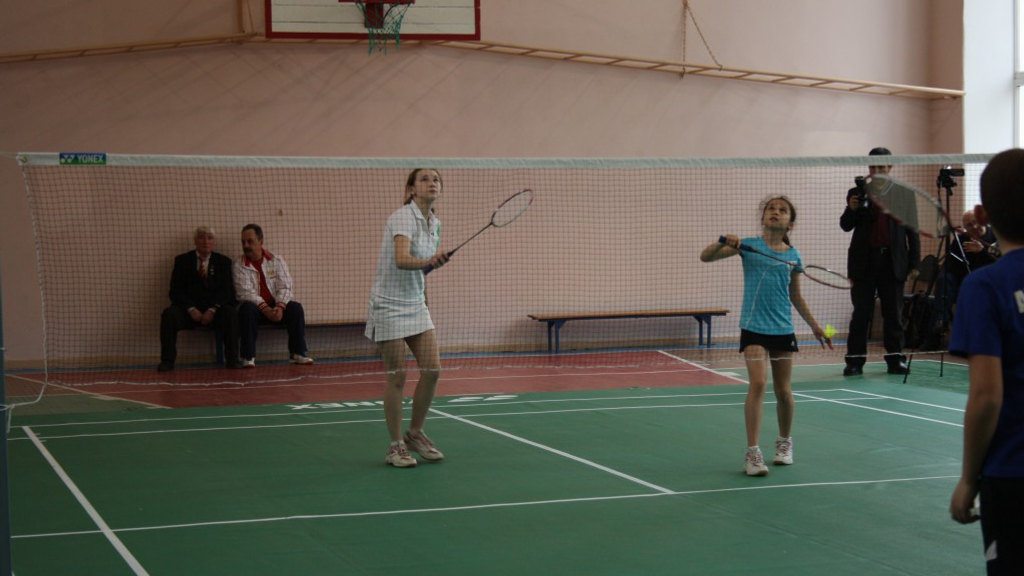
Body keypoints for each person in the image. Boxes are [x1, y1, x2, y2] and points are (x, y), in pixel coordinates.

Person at [700, 196, 831, 476]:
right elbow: (705, 257)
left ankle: (784, 443)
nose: (775, 212)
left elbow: (796, 296)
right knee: (758, 384)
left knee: (783, 390)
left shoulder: (794, 256)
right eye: (771, 209)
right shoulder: (748, 246)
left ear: (790, 223)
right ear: (763, 218)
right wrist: (724, 243)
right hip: (754, 327)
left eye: (782, 210)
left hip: (782, 328)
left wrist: (815, 326)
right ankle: (753, 453)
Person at [948, 148, 1024, 575]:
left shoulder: (984, 287)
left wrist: (968, 479)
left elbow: (987, 397)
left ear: (982, 212)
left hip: (1012, 473)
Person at [366, 168, 450, 468]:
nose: (432, 183)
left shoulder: (435, 224)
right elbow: (402, 260)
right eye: (424, 179)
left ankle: (414, 433)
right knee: (397, 376)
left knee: (432, 369)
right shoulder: (402, 217)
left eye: (436, 179)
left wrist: (426, 291)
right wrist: (430, 261)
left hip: (415, 304)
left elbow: (420, 270)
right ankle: (395, 446)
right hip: (388, 305)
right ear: (412, 189)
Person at [840, 147, 920, 376]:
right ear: (869, 167)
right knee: (860, 314)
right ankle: (854, 362)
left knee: (893, 315)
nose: (878, 170)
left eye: (882, 167)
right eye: (874, 166)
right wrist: (851, 208)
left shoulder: (905, 194)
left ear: (890, 167)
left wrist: (914, 264)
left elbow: (912, 231)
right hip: (863, 263)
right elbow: (846, 225)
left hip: (893, 262)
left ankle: (895, 360)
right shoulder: (857, 192)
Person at [159, 226, 242, 371]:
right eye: (201, 237)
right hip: (189, 312)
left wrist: (212, 309)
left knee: (230, 313)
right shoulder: (182, 260)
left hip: (215, 312)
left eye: (209, 238)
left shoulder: (223, 261)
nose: (205, 241)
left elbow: (227, 291)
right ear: (195, 241)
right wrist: (191, 309)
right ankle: (167, 361)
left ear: (214, 242)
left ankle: (233, 359)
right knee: (169, 315)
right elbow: (175, 291)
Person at [232, 223, 313, 368]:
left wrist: (280, 307)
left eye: (250, 241)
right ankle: (248, 356)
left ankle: (297, 353)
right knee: (246, 310)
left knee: (295, 308)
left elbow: (286, 286)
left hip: (276, 308)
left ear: (261, 241)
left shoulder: (276, 260)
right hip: (256, 309)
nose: (246, 245)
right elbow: (244, 293)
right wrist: (266, 309)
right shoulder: (238, 265)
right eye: (243, 242)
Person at [926, 209, 1001, 349]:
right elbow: (950, 265)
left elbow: (1001, 265)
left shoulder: (996, 236)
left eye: (975, 222)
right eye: (969, 225)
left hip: (990, 284)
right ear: (965, 228)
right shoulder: (961, 240)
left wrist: (981, 252)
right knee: (944, 280)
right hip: (966, 282)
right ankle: (939, 323)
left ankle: (971, 342)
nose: (974, 227)